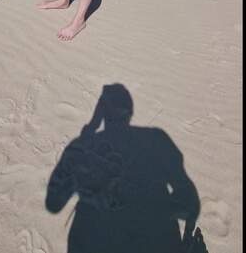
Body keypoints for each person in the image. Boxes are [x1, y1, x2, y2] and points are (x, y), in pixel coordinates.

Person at [45, 84, 202, 252]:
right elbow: (191, 204)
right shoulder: (156, 140)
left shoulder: (84, 147)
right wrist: (155, 212)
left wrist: (90, 130)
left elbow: (54, 203)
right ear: (130, 112)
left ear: (102, 114)